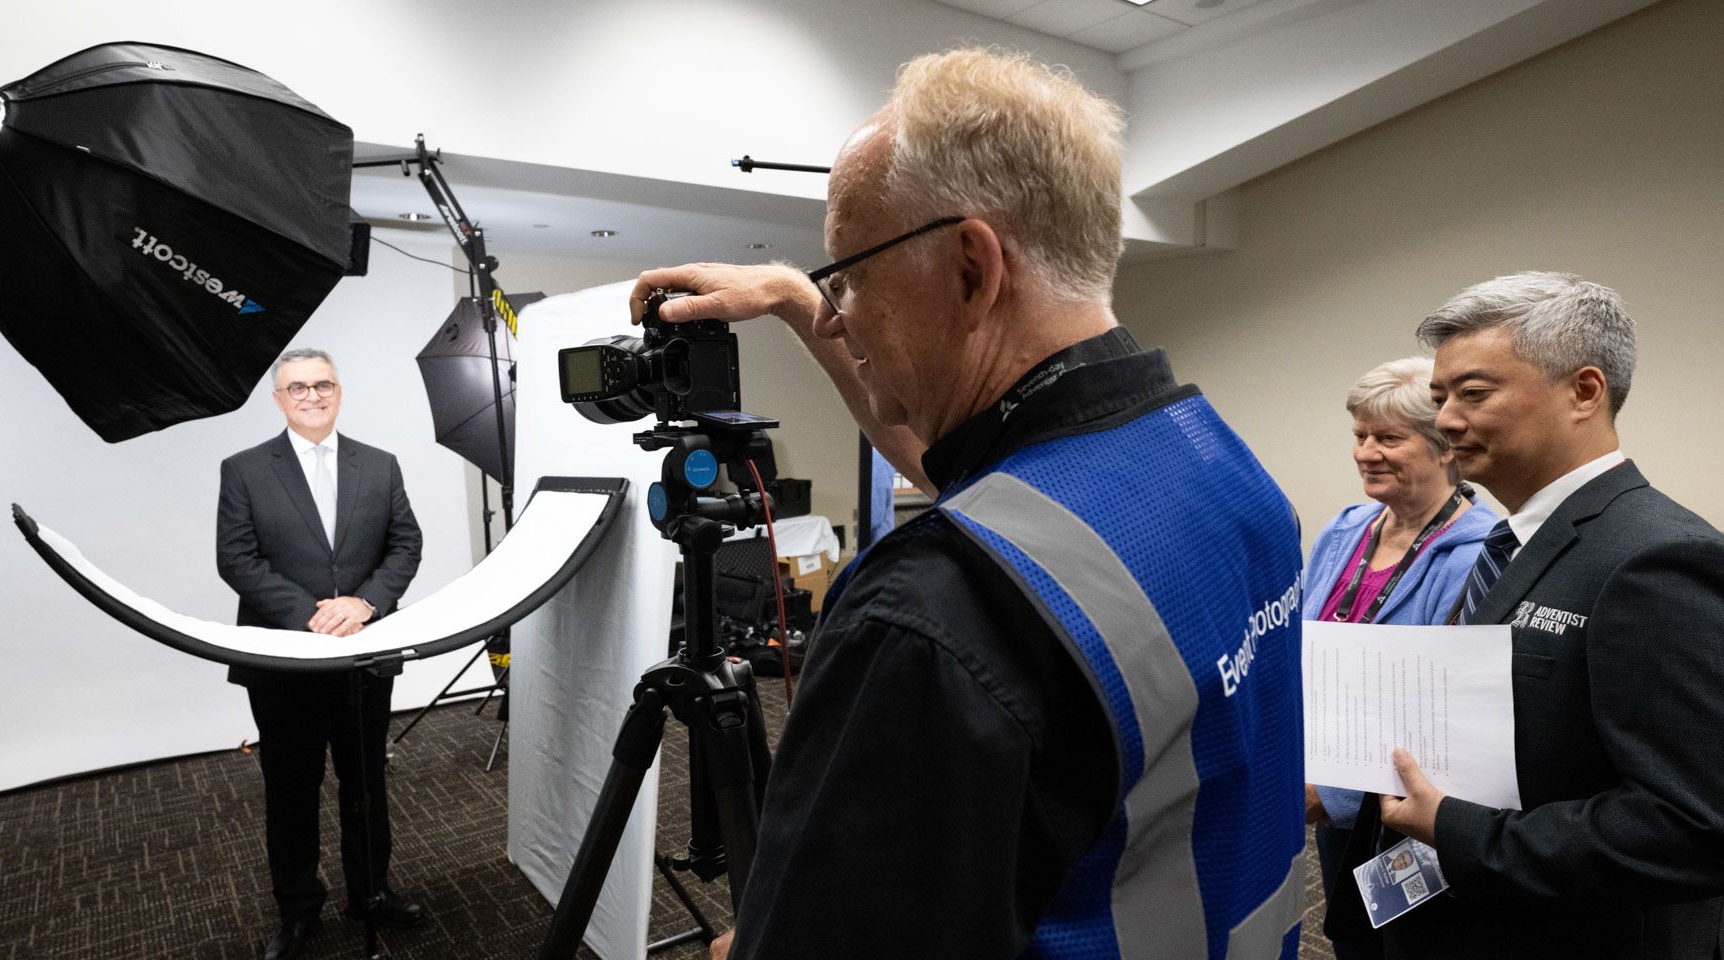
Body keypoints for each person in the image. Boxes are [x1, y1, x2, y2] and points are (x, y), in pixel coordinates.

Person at [635, 49, 1307, 959]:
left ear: (970, 268)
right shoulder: (1217, 464)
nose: (836, 316)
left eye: (849, 277)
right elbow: (997, 495)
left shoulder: (926, 618)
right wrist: (795, 298)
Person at [1349, 272, 1724, 958]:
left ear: (1584, 391)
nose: (1447, 420)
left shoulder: (1656, 557)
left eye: (1473, 394)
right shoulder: (1515, 541)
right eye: (1439, 398)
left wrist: (1459, 830)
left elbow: (1693, 824)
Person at [216, 348, 427, 960]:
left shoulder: (380, 464)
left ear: (339, 391)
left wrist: (364, 603)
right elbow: (236, 558)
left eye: (323, 384)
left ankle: (371, 893)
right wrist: (312, 614)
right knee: (291, 787)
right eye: (298, 387)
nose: (312, 396)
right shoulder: (244, 469)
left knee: (366, 782)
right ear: (278, 399)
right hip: (283, 661)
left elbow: (406, 544)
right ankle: (298, 909)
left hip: (364, 656)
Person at [1300, 357, 1497, 960]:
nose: (1366, 453)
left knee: (1407, 944)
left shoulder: (1479, 553)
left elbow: (1445, 709)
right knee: (1350, 935)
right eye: (1359, 435)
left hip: (1405, 809)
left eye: (1388, 438)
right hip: (1326, 783)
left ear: (1444, 447)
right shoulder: (1344, 529)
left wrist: (1330, 791)